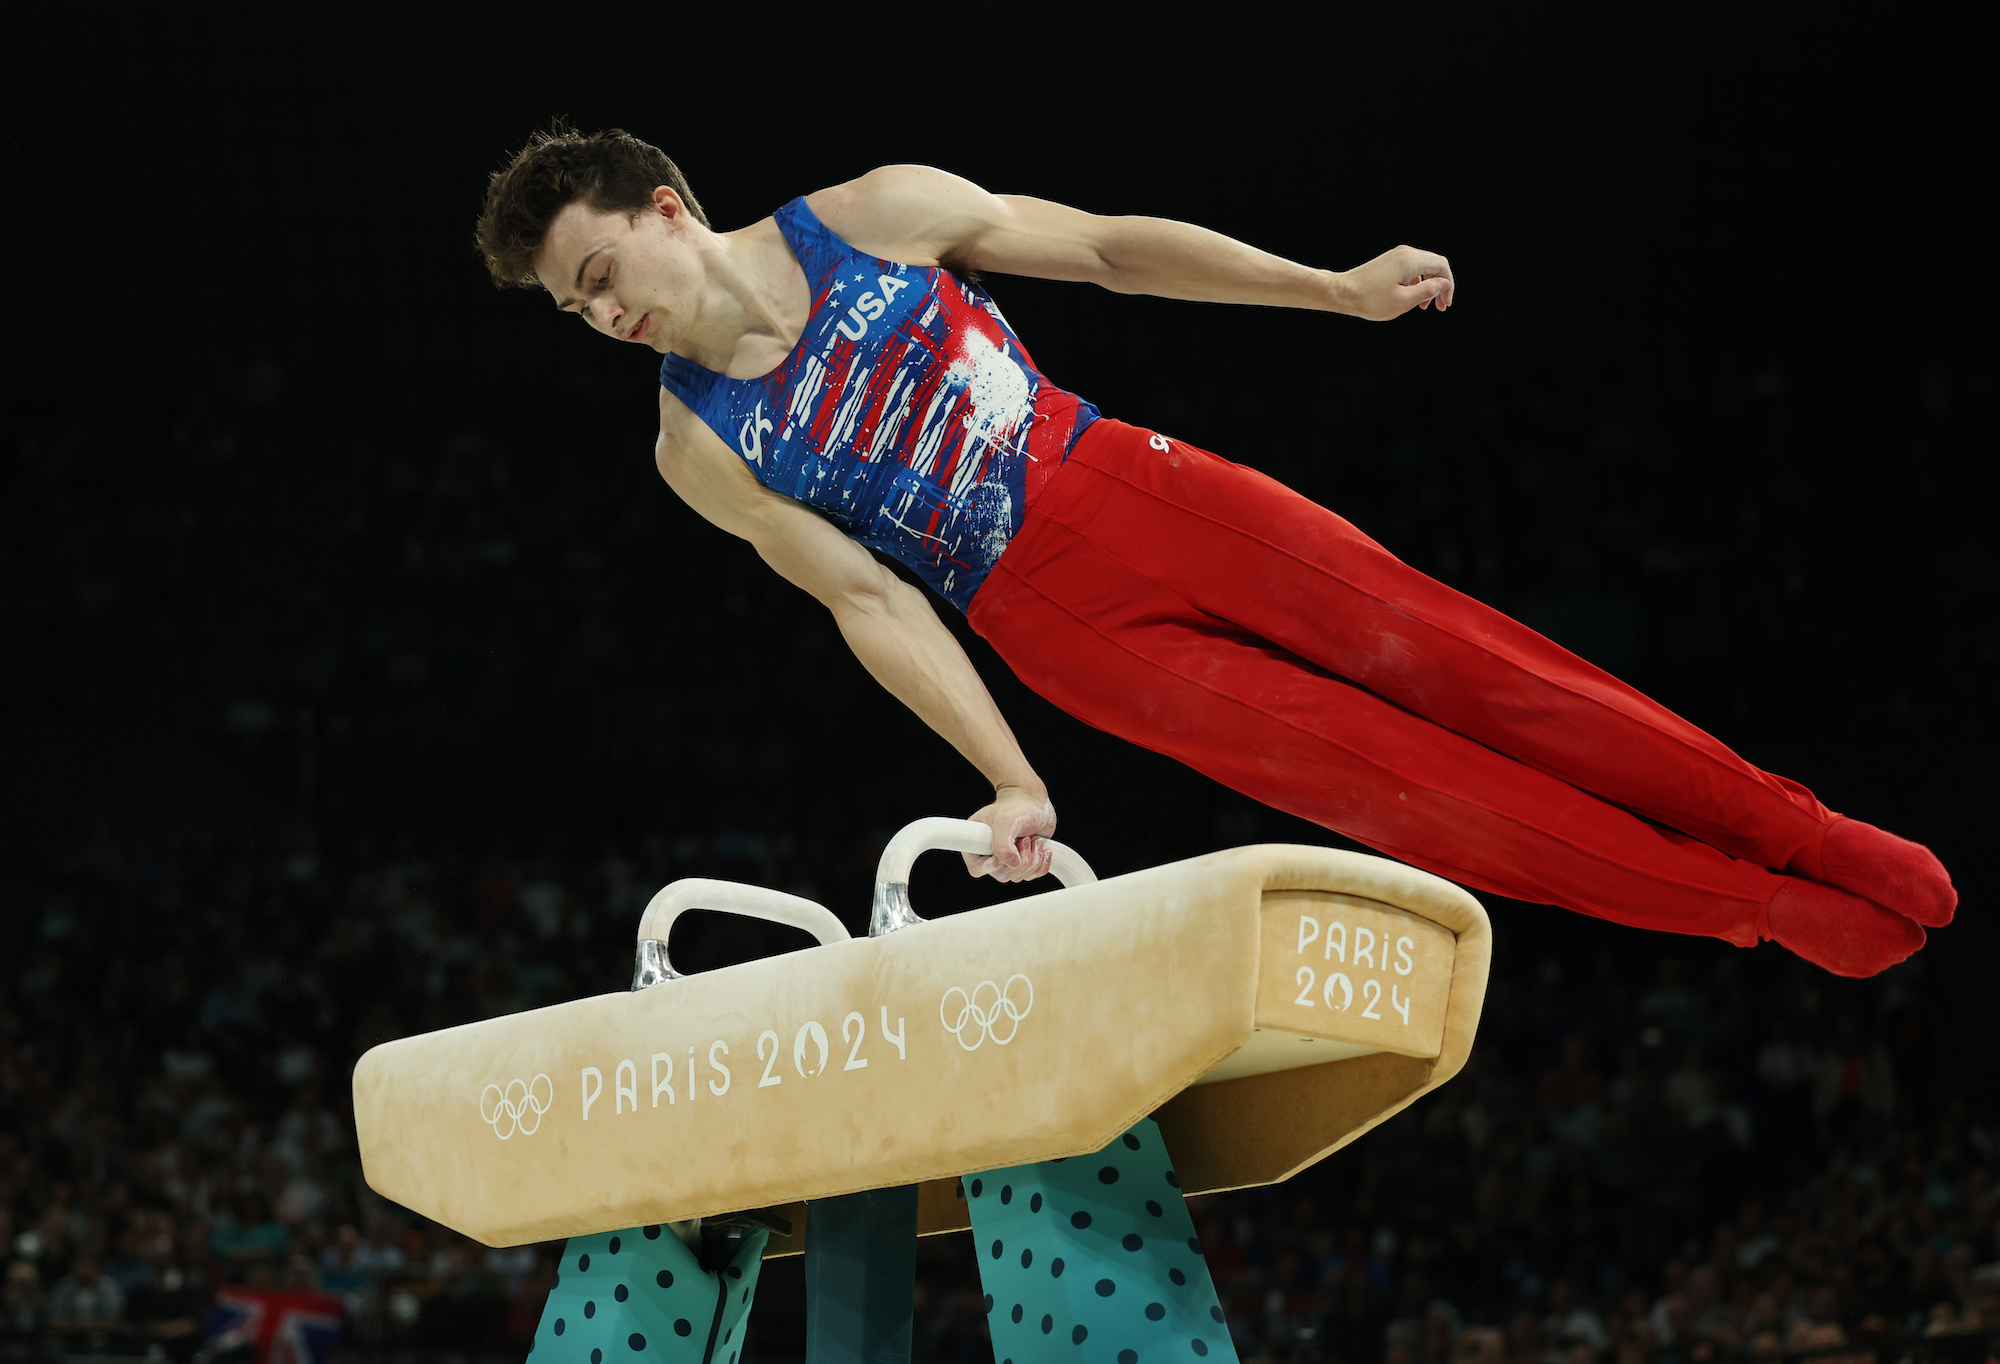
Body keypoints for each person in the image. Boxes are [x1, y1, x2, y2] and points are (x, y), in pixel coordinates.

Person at [473, 127, 1954, 977]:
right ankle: (1755, 907)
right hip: (1054, 630)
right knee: (1409, 795)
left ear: (666, 208)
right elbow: (869, 598)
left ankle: (1801, 831)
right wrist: (1010, 777)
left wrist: (1329, 290)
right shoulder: (697, 448)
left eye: (601, 274)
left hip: (1131, 483)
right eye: (575, 312)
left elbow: (1115, 247)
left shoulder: (873, 214)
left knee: (1478, 668)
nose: (607, 318)